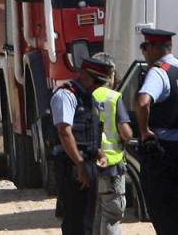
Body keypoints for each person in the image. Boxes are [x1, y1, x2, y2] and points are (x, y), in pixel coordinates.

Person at [135, 28, 178, 235]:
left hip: (163, 153)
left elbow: (143, 102)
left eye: (144, 47)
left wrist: (144, 132)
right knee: (177, 210)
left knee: (161, 211)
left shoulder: (159, 71)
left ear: (152, 48)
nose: (144, 53)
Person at [50, 58, 103, 235]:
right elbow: (64, 132)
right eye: (96, 81)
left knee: (86, 219)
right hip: (71, 164)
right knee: (75, 221)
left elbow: (88, 130)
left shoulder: (87, 97)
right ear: (83, 74)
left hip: (85, 162)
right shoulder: (65, 95)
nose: (98, 86)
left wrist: (97, 152)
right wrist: (80, 164)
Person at [90, 53, 133, 235]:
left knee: (97, 213)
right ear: (110, 73)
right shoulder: (114, 97)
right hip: (112, 166)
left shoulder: (87, 95)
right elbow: (125, 132)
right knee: (112, 214)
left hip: (90, 164)